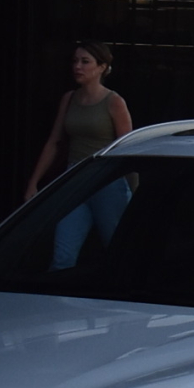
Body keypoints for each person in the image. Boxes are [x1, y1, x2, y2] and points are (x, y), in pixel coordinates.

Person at [24, 41, 135, 267]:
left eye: (85, 62)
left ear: (102, 67)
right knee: (63, 251)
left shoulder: (114, 102)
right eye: (75, 61)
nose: (78, 66)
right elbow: (54, 141)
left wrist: (134, 190)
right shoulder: (69, 99)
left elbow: (128, 148)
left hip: (107, 181)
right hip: (75, 177)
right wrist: (33, 182)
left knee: (116, 248)